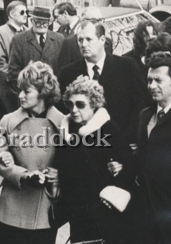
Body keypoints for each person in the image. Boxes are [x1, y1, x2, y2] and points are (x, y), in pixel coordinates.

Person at [0, 61, 64, 244]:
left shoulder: (62, 123)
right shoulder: (8, 121)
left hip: (45, 207)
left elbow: (73, 161)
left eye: (27, 91)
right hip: (14, 206)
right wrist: (21, 174)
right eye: (20, 90)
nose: (21, 96)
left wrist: (59, 174)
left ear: (43, 92)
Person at [56, 77, 134, 244]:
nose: (74, 109)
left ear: (94, 104)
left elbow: (130, 166)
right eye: (70, 104)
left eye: (80, 104)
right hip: (78, 214)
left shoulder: (109, 129)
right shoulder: (66, 134)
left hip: (106, 212)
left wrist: (115, 181)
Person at [58, 19, 150, 143]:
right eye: (80, 40)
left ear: (102, 40)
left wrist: (126, 138)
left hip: (120, 143)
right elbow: (61, 109)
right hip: (82, 147)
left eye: (89, 39)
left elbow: (141, 103)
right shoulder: (68, 73)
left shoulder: (126, 66)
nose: (83, 44)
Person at [138, 52, 171, 243]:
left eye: (158, 80)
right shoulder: (145, 115)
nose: (151, 86)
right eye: (149, 80)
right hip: (147, 207)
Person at [7, 6, 64, 99]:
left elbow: (63, 69)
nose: (41, 25)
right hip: (29, 96)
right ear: (31, 21)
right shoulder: (18, 40)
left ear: (49, 22)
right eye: (38, 22)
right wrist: (28, 89)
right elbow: (13, 72)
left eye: (45, 22)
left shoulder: (59, 39)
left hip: (53, 96)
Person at [0, 0, 28, 113]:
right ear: (11, 14)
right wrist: (15, 79)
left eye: (26, 12)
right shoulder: (0, 33)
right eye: (22, 12)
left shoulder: (28, 32)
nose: (26, 15)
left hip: (27, 85)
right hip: (10, 88)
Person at [57, 7, 113, 72]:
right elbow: (63, 73)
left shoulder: (107, 42)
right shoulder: (69, 44)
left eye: (101, 20)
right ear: (83, 21)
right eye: (95, 20)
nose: (100, 24)